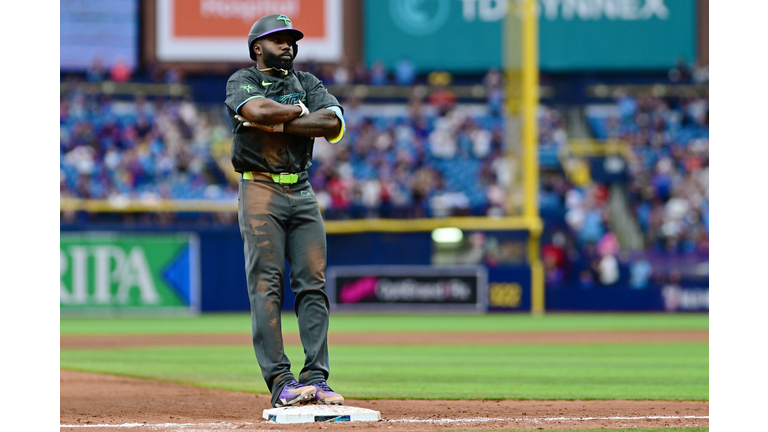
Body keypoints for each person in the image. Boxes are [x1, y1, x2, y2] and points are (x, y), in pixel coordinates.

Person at [224, 13, 346, 408]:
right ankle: (281, 382)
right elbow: (255, 110)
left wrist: (279, 121)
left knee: (313, 285)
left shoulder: (308, 82)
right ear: (257, 47)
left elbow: (330, 122)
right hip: (259, 188)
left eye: (292, 40)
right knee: (267, 285)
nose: (289, 46)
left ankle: (317, 379)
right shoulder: (242, 80)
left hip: (303, 189)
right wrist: (296, 114)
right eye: (280, 40)